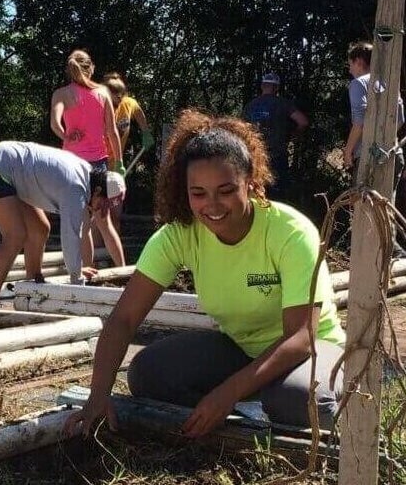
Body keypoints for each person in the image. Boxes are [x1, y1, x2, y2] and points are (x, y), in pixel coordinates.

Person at [65, 110, 345, 440]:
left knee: (298, 398)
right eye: (198, 193)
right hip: (241, 348)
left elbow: (301, 338)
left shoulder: (290, 233)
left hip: (312, 350)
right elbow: (124, 318)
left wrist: (228, 393)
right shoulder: (179, 235)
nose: (212, 205)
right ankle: (224, 425)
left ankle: (334, 406)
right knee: (148, 373)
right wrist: (98, 395)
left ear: (250, 181)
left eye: (226, 190)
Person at [0, 141, 126, 307]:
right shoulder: (75, 189)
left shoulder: (87, 177)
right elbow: (71, 236)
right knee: (16, 235)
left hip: (9, 169)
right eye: (103, 204)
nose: (101, 210)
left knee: (40, 228)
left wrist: (81, 270)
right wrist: (77, 280)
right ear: (98, 191)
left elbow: (83, 228)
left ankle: (32, 284)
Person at [50, 49, 125, 269]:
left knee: (83, 225)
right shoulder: (103, 93)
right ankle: (123, 271)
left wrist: (66, 135)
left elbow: (55, 122)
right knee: (105, 223)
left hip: (71, 166)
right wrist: (119, 164)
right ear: (90, 67)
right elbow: (112, 132)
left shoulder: (61, 94)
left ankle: (88, 275)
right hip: (98, 165)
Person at [343, 41, 405, 257]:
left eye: (350, 64)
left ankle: (385, 256)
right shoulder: (388, 83)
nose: (350, 69)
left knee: (365, 208)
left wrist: (348, 151)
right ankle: (389, 255)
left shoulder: (359, 84)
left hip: (368, 156)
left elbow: (359, 122)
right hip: (393, 153)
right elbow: (400, 119)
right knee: (385, 205)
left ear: (359, 61)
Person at [242, 72, 309, 201]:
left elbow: (242, 129)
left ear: (262, 86)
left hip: (255, 156)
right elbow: (303, 121)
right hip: (277, 155)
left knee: (256, 192)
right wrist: (295, 135)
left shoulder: (250, 106)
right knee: (278, 194)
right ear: (276, 88)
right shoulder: (283, 104)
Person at [102, 72, 155, 233]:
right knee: (99, 214)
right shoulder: (97, 107)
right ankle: (96, 247)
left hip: (116, 166)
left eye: (120, 97)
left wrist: (145, 131)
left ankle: (111, 247)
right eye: (113, 99)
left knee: (115, 214)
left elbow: (138, 112)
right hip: (98, 164)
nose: (117, 103)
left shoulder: (127, 103)